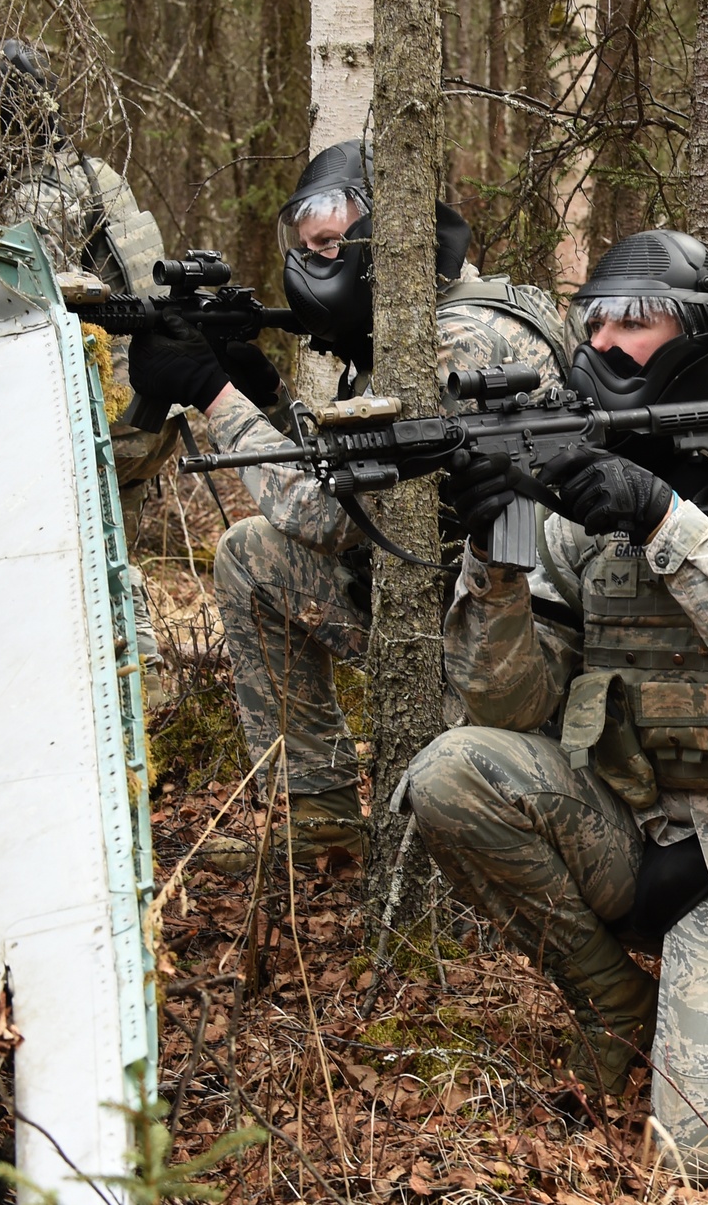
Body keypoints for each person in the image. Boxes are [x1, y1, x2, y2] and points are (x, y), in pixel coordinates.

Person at [405, 228, 708, 1183]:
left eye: (637, 322)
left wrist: (658, 513)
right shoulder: (578, 513)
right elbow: (506, 706)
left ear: (700, 339)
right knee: (451, 772)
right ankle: (618, 1007)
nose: (605, 344)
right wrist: (499, 552)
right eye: (594, 320)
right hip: (646, 838)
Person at [130, 137, 579, 869]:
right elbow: (355, 477)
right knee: (253, 556)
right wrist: (265, 395)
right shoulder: (426, 323)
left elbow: (326, 513)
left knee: (259, 546)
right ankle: (323, 825)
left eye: (334, 246)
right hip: (446, 601)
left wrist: (214, 392)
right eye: (310, 248)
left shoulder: (458, 341)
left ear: (393, 240)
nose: (315, 266)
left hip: (514, 653)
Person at [0, 39, 178, 706]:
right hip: (147, 401)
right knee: (113, 554)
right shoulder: (94, 172)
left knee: (94, 559)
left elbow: (37, 321)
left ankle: (138, 702)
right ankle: (143, 699)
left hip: (108, 410)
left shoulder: (37, 199)